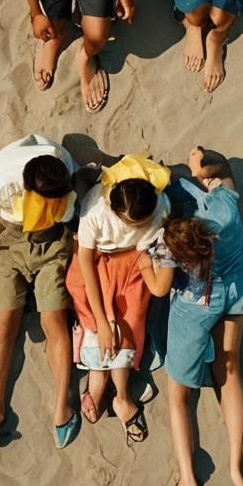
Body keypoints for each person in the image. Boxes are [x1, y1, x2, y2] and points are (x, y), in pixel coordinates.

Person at [138, 146, 243, 486]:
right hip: (235, 292)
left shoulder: (170, 249)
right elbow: (227, 169)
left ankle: (189, 481)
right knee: (229, 372)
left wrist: (144, 262)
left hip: (195, 307)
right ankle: (236, 464)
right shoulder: (226, 208)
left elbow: (159, 288)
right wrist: (202, 165)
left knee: (178, 396)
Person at [0, 134, 81, 455]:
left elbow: (69, 219)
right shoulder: (2, 185)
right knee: (5, 322)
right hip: (12, 239)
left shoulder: (62, 172)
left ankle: (62, 407)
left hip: (53, 241)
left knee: (54, 319)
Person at [65, 161, 171, 444]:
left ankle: (120, 396)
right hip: (96, 259)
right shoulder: (95, 210)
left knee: (129, 317)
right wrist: (102, 321)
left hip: (134, 262)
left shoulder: (159, 207)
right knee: (93, 314)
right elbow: (85, 261)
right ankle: (99, 378)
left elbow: (154, 251)